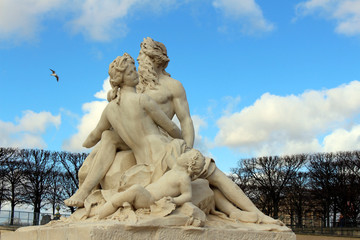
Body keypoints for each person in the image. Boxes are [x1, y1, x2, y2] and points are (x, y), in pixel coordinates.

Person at [97, 148, 205, 219]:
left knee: (135, 189)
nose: (182, 154)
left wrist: (174, 200)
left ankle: (100, 215)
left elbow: (187, 195)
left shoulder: (184, 178)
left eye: (185, 154)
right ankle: (99, 213)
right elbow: (168, 158)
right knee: (120, 195)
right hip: (147, 194)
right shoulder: (175, 169)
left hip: (151, 201)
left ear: (189, 163)